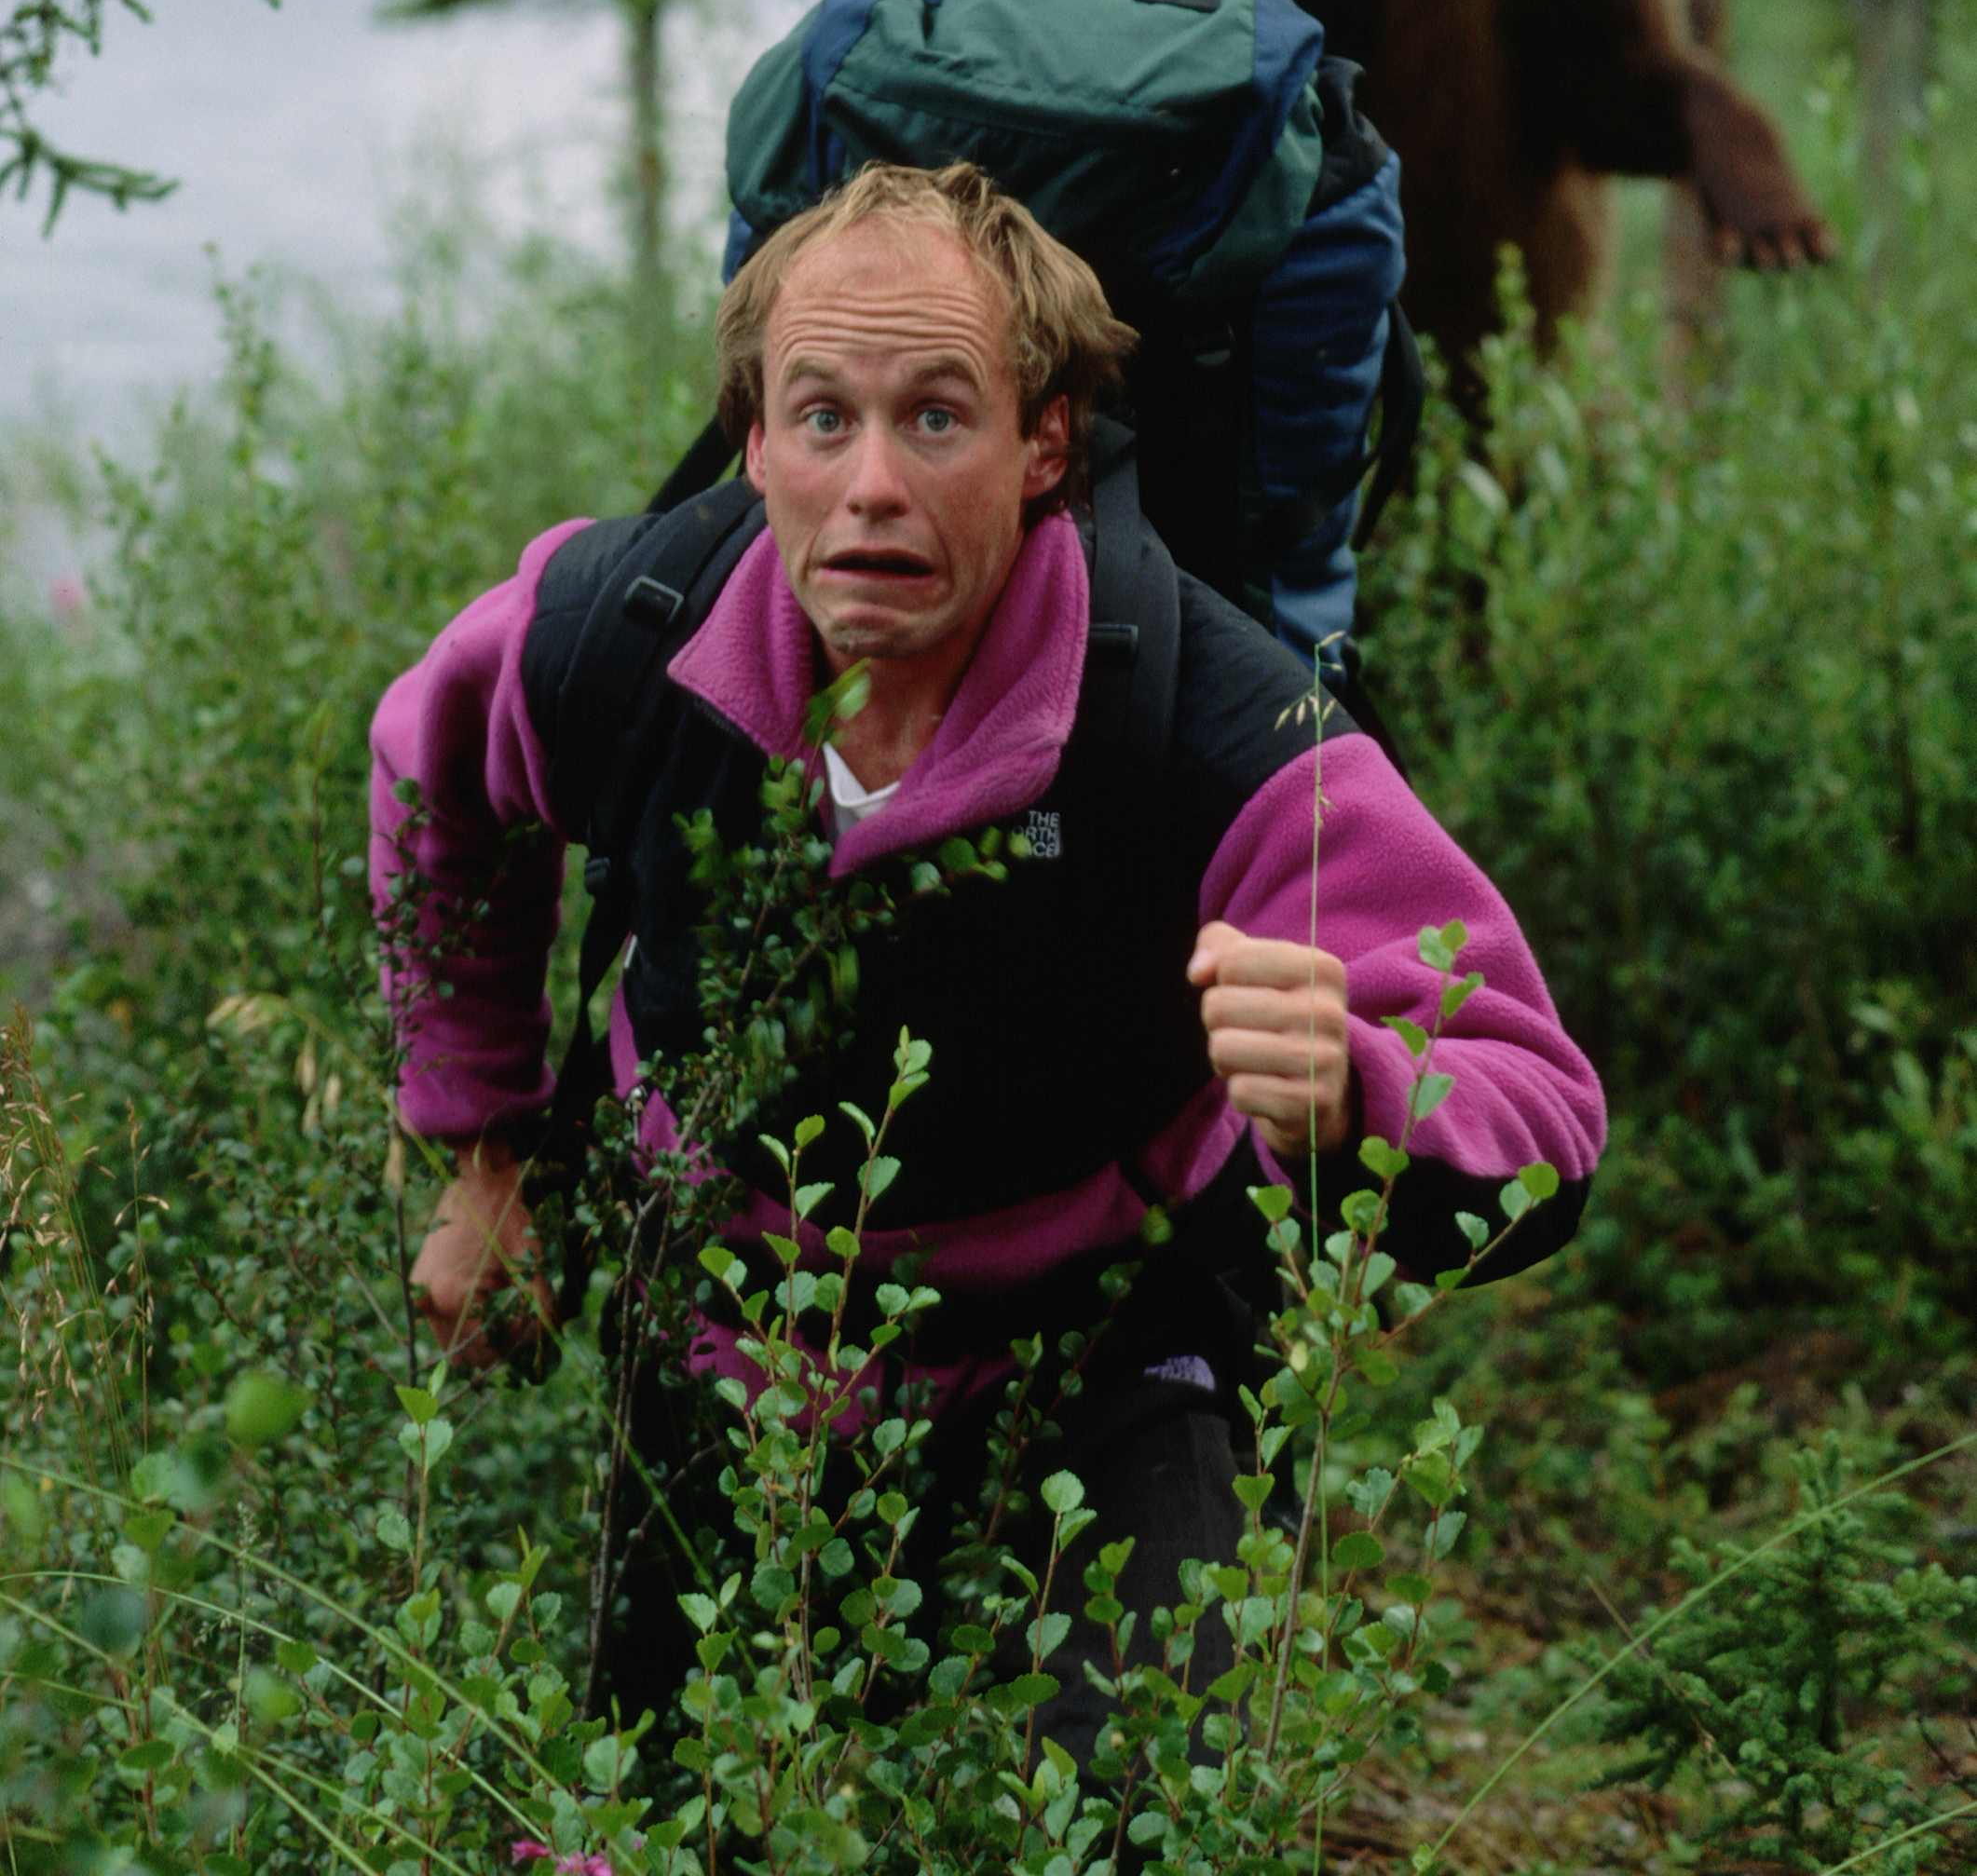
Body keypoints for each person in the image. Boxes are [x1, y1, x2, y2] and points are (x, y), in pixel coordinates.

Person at [371, 159, 1604, 1753]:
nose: (870, 483)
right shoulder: (618, 633)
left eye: (936, 417)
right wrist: (485, 1144)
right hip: (727, 1329)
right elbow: (433, 773)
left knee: (1137, 1811)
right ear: (753, 442)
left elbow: (1541, 1109)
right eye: (822, 417)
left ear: (1045, 445)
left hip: (1098, 1341)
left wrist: (1359, 1084)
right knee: (644, 1828)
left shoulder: (1206, 723)